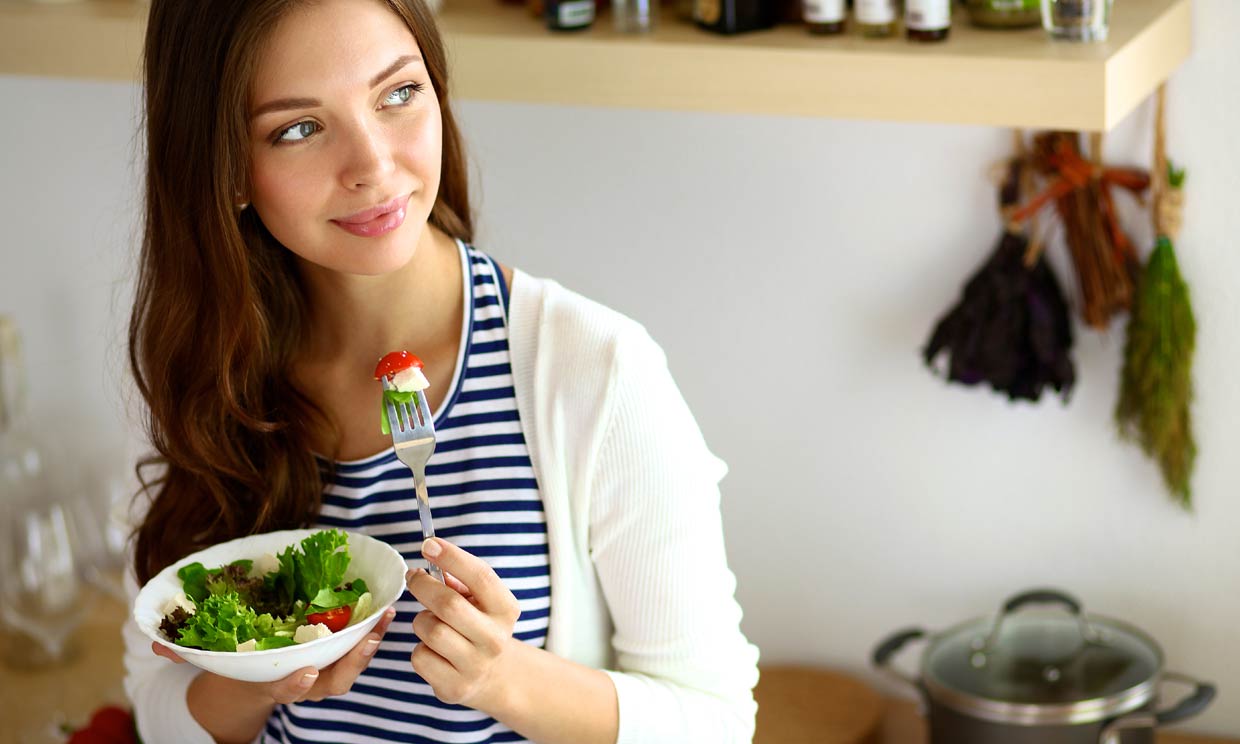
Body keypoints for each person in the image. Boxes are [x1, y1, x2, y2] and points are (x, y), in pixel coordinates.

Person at [121, 0, 760, 742]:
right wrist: (260, 682)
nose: (374, 166)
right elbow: (156, 705)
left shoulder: (596, 372)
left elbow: (715, 722)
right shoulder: (211, 377)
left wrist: (509, 681)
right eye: (299, 128)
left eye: (398, 93)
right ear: (226, 167)